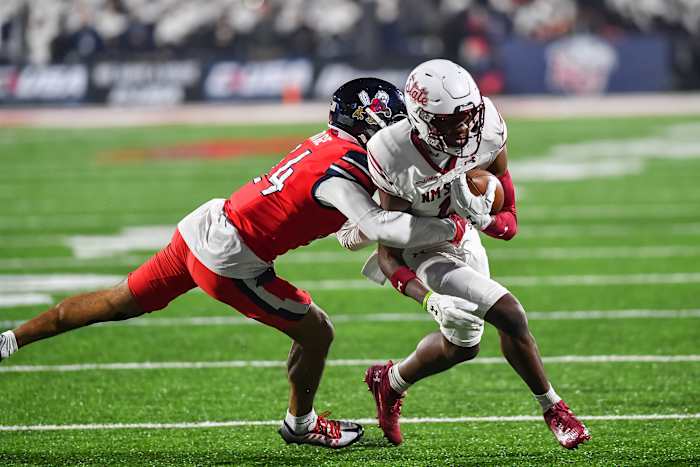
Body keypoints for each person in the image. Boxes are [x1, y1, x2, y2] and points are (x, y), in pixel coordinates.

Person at [0, 78, 478, 449]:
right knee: (317, 332)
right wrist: (451, 229)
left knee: (116, 300)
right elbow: (377, 227)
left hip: (205, 228)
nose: (403, 133)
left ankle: (10, 339)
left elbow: (343, 226)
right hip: (231, 260)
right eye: (395, 122)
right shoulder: (347, 163)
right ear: (370, 123)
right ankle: (301, 424)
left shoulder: (328, 145)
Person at [338, 60, 591, 450]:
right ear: (420, 119)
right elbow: (389, 253)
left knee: (463, 346)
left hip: (464, 232)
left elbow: (510, 223)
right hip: (423, 247)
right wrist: (429, 299)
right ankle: (553, 407)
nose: (462, 128)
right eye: (447, 121)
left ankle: (388, 382)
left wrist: (483, 216)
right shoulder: (391, 151)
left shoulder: (487, 125)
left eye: (466, 116)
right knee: (509, 313)